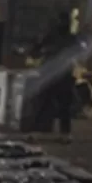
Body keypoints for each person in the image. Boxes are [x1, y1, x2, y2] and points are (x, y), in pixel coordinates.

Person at [32, 11, 82, 143]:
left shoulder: (71, 38)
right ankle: (39, 132)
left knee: (62, 105)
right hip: (52, 74)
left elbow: (78, 53)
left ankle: (64, 133)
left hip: (63, 75)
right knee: (45, 104)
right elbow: (35, 51)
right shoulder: (51, 37)